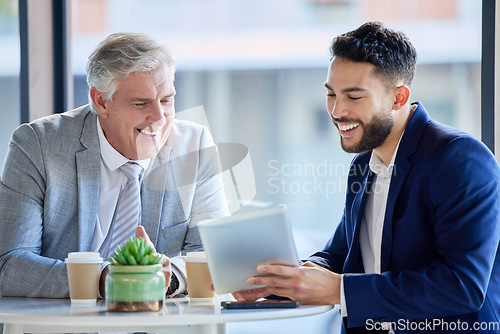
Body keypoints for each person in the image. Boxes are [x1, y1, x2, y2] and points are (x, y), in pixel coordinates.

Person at [234, 22, 500, 333]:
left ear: (398, 98)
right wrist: (279, 282)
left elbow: (461, 285)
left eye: (354, 97)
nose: (336, 110)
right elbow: (341, 254)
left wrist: (338, 290)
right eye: (331, 94)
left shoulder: (460, 159)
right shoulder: (365, 162)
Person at [0, 32, 229, 299]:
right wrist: (104, 279)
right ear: (101, 102)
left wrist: (170, 276)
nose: (159, 117)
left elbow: (214, 254)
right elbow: (9, 263)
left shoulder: (194, 145)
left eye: (167, 100)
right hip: (69, 324)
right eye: (141, 103)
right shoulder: (38, 144)